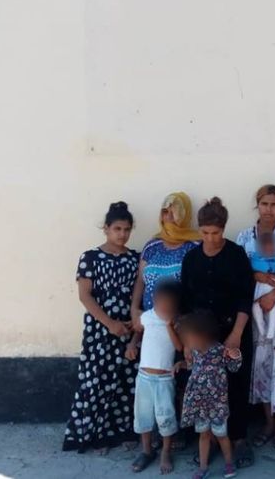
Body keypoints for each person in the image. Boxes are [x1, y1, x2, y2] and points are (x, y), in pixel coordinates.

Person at [180, 197, 256, 469]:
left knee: (235, 385)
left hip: (233, 330)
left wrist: (236, 334)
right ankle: (208, 441)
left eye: (215, 233)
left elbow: (245, 297)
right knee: (204, 388)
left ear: (223, 229)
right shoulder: (191, 259)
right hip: (200, 337)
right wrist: (187, 341)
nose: (210, 238)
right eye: (205, 233)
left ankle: (238, 439)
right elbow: (185, 303)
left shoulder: (236, 255)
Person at [63, 202, 140, 454]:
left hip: (128, 328)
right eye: (117, 228)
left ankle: (126, 431)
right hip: (100, 329)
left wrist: (132, 322)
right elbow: (85, 296)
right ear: (106, 228)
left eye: (126, 229)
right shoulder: (90, 257)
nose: (122, 234)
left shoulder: (136, 258)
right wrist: (110, 324)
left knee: (126, 379)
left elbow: (139, 293)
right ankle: (98, 435)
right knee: (98, 379)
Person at [235, 185, 275, 450]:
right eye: (264, 204)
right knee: (261, 364)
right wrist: (257, 276)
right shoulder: (244, 237)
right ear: (257, 205)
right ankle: (267, 422)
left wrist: (274, 295)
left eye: (274, 204)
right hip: (255, 309)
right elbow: (239, 271)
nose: (269, 209)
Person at [125, 281, 184, 474]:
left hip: (164, 379)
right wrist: (132, 344)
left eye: (170, 305)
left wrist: (169, 325)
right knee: (143, 415)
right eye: (162, 304)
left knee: (166, 415)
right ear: (154, 300)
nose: (165, 309)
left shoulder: (176, 322)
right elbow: (138, 331)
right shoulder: (147, 317)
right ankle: (146, 450)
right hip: (144, 377)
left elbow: (179, 347)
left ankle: (166, 451)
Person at [176, 312, 243, 479]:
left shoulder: (218, 350)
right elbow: (192, 366)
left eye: (189, 338)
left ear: (202, 334)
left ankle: (229, 463)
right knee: (204, 435)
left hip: (217, 404)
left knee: (222, 435)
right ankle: (203, 467)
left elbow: (233, 367)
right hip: (200, 404)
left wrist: (235, 356)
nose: (187, 343)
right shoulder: (195, 352)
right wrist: (181, 364)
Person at [131, 192, 200, 330]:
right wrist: (134, 310)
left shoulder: (195, 246)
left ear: (184, 215)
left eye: (174, 213)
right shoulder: (152, 246)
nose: (168, 217)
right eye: (165, 212)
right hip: (149, 325)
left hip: (180, 326)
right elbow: (140, 281)